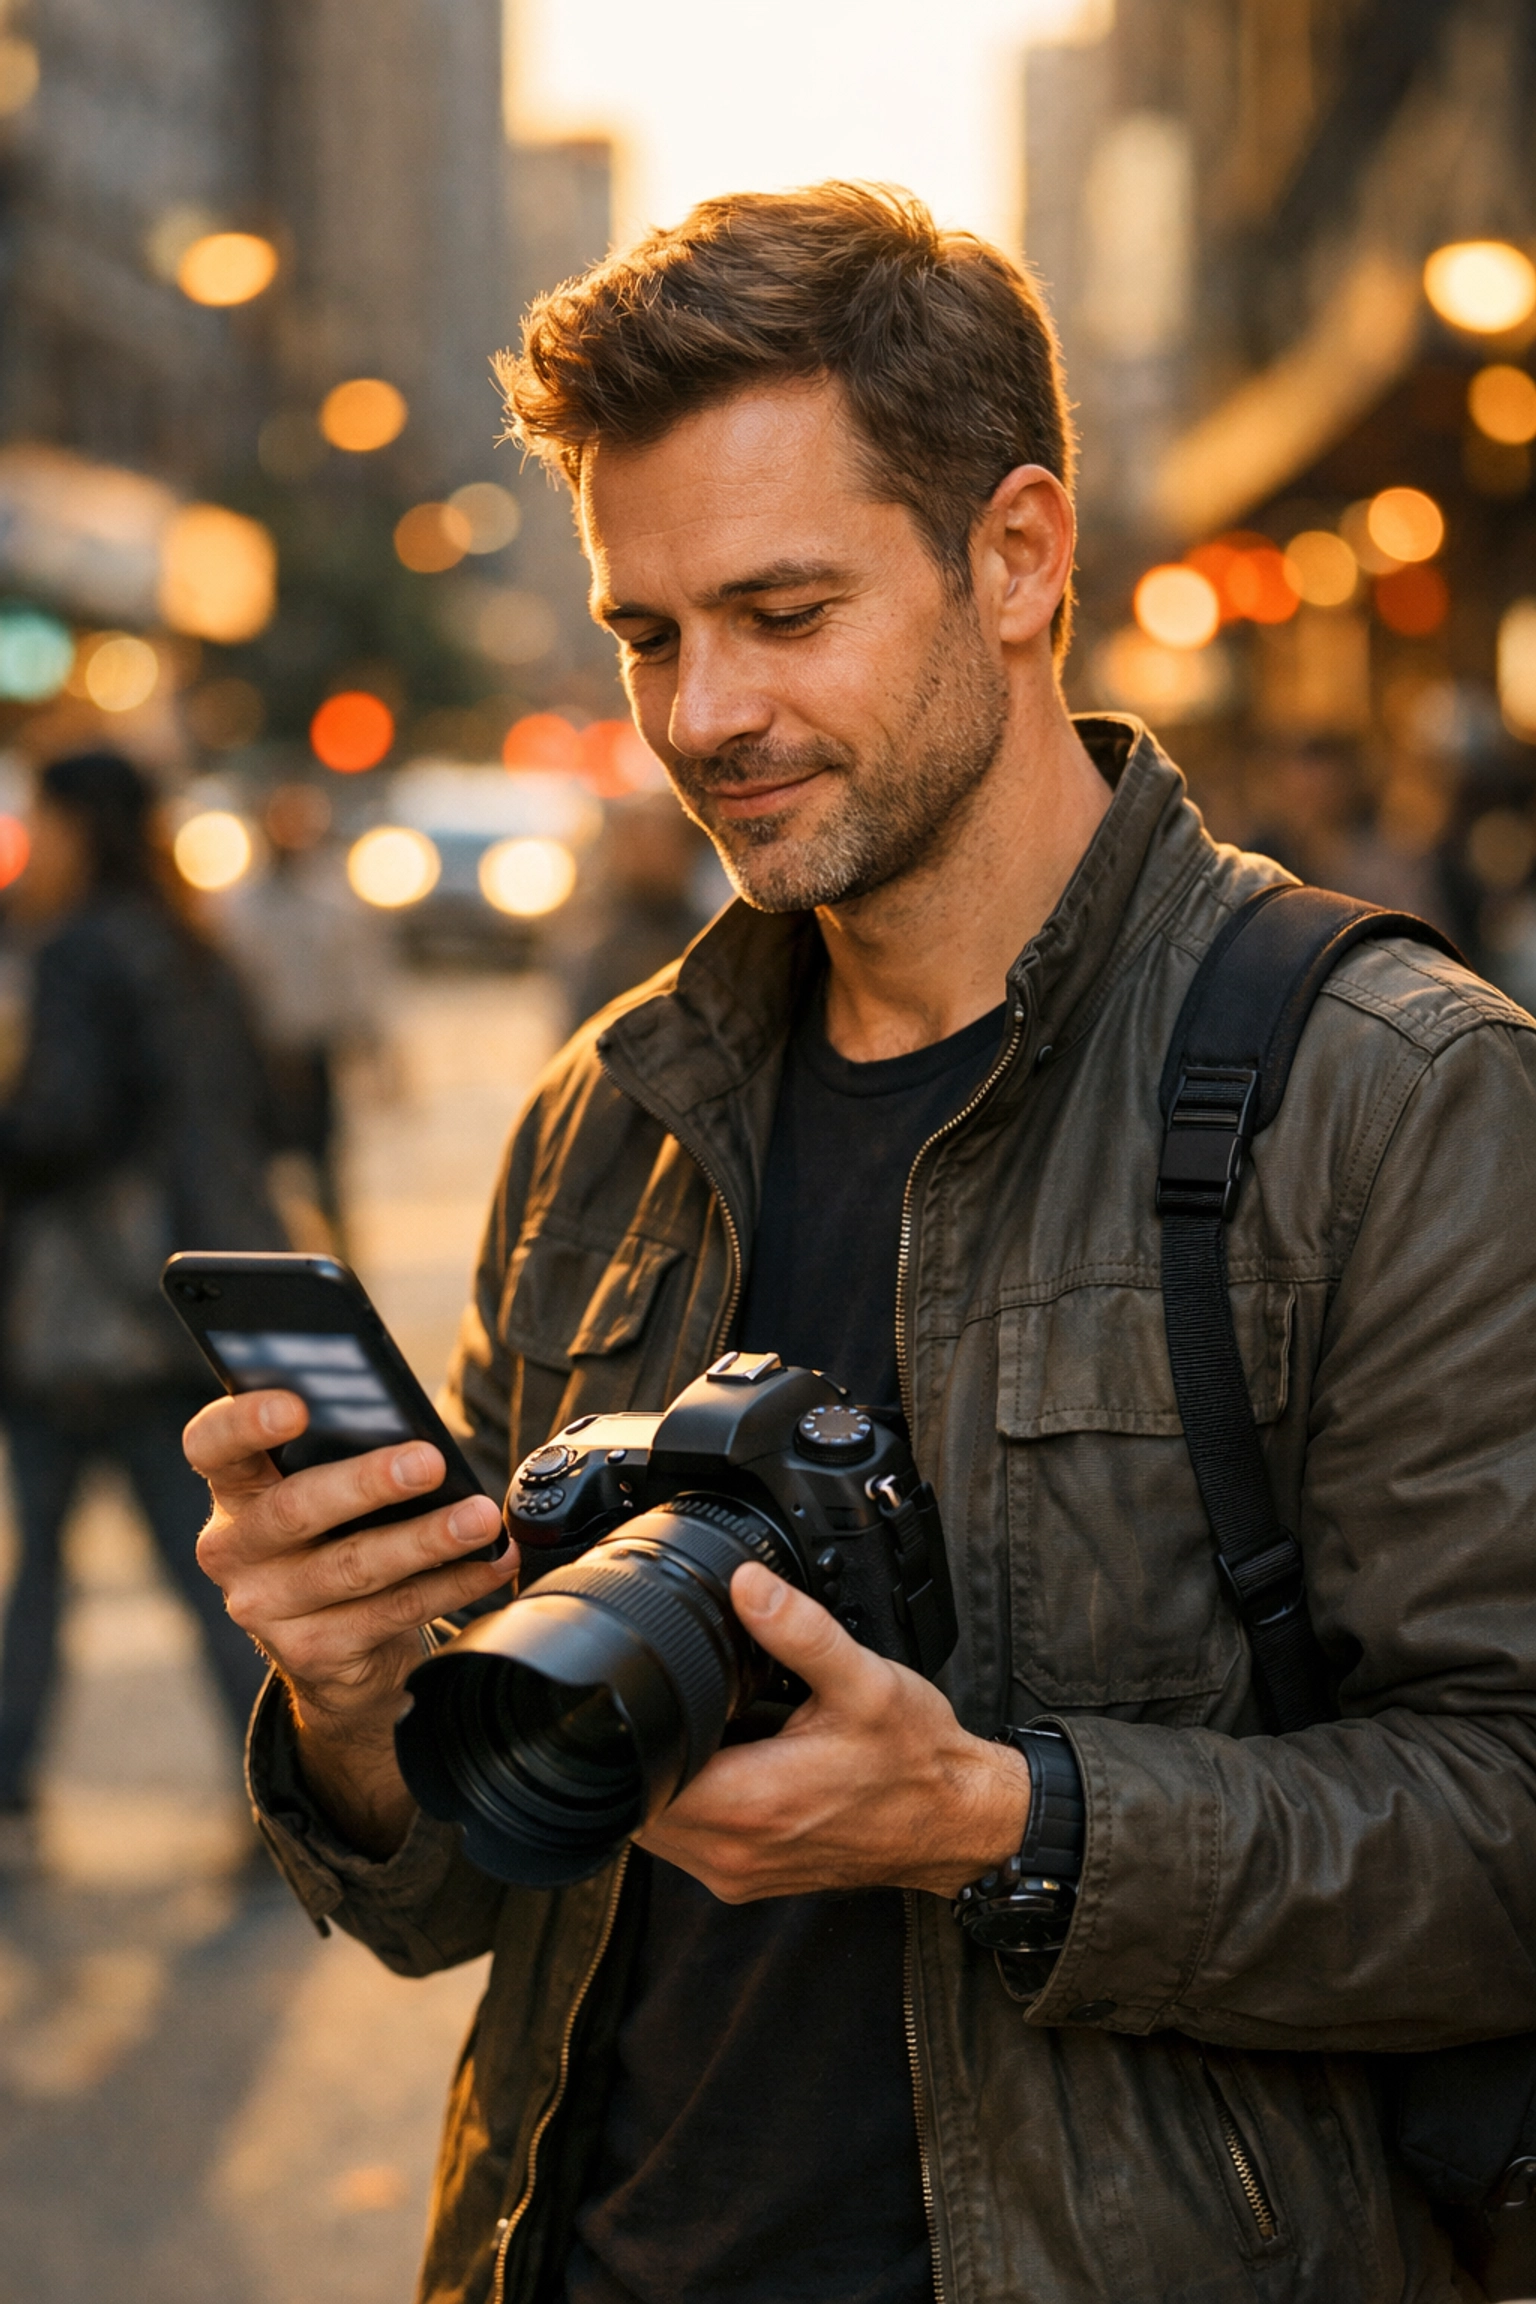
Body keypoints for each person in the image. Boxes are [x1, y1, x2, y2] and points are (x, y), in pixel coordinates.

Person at [191, 186, 1536, 2304]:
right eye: (649, 633)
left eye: (784, 611)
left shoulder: (1390, 1093)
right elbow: (458, 1888)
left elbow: (1508, 1829)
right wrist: (358, 1697)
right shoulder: (606, 1113)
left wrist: (1001, 1819)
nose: (702, 713)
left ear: (1017, 556)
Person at [0, 750, 281, 1826]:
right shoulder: (198, 947)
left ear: (79, 826)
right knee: (214, 1568)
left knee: (40, 1567)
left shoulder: (76, 952)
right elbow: (266, 1111)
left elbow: (62, 1126)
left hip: (83, 1317)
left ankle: (7, 1785)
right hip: (195, 1308)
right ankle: (279, 1793)